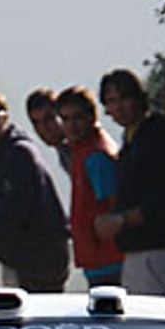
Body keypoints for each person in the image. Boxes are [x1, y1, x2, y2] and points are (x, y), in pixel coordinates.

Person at [0, 90, 70, 291]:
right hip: (17, 241)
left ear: (5, 117)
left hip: (43, 247)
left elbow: (17, 211)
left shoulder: (20, 154)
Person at [94, 68, 165, 295]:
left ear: (139, 99)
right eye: (111, 101)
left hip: (161, 249)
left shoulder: (157, 136)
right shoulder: (131, 139)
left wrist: (122, 220)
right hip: (137, 250)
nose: (118, 107)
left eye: (124, 99)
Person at [54, 86, 124, 287]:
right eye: (65, 119)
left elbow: (113, 205)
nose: (71, 125)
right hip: (96, 259)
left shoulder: (95, 156)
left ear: (92, 116)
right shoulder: (81, 151)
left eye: (77, 117)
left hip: (109, 260)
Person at [24, 88, 71, 171]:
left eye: (49, 118)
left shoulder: (79, 149)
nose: (43, 127)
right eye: (36, 122)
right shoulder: (63, 151)